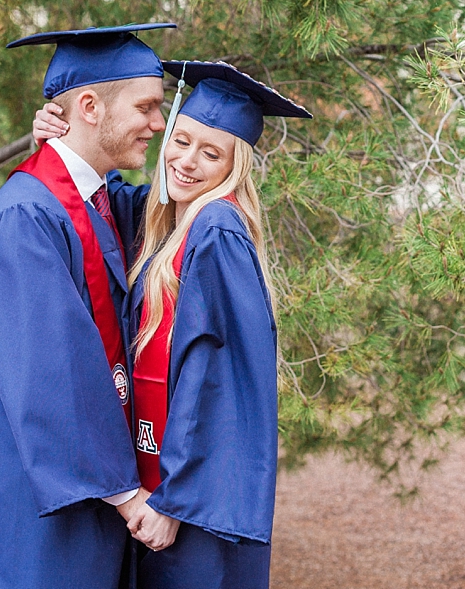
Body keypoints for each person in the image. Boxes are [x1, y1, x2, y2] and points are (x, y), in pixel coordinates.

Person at [0, 23, 174, 589]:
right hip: (56, 505)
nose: (159, 123)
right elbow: (50, 373)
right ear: (89, 105)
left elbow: (163, 215)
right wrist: (128, 496)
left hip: (94, 496)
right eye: (148, 107)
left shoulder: (98, 200)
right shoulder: (26, 218)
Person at [118, 61, 310, 589]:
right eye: (180, 141)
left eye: (211, 153)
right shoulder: (179, 223)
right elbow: (107, 198)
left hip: (189, 507)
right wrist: (57, 132)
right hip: (165, 490)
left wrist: (175, 501)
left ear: (234, 166)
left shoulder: (217, 230)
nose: (186, 161)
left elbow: (215, 380)